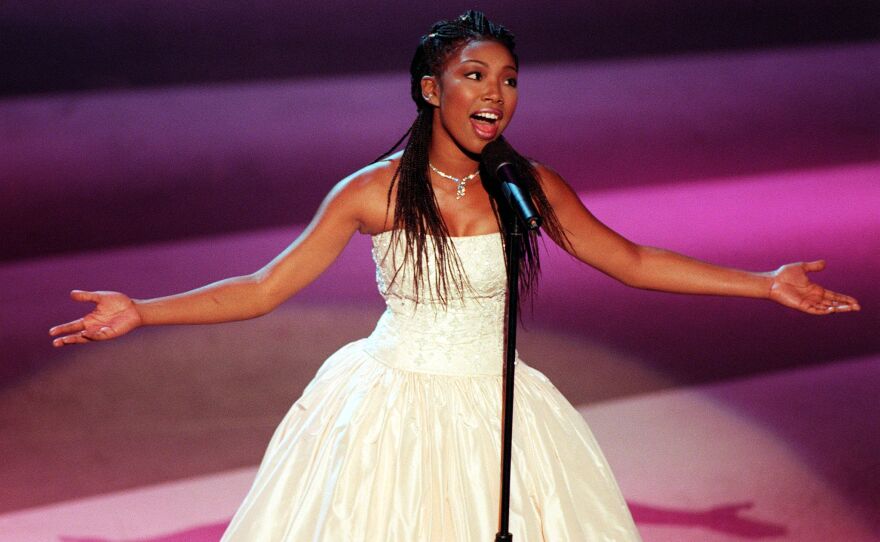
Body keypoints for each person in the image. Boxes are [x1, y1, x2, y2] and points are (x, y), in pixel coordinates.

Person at [49, 11, 859, 542]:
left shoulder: (525, 185)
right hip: (388, 405)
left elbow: (632, 259)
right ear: (432, 89)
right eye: (476, 76)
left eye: (509, 79)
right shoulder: (369, 192)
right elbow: (265, 287)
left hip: (498, 407)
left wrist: (763, 282)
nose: (496, 94)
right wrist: (142, 311)